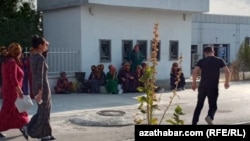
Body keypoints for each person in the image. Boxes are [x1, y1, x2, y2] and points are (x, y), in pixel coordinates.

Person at [191, 46, 231, 125]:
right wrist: (227, 82)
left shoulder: (202, 61)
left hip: (202, 86)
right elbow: (227, 71)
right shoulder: (219, 60)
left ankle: (194, 122)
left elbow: (195, 72)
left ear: (205, 53)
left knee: (199, 105)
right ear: (213, 52)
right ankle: (209, 116)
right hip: (213, 87)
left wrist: (194, 83)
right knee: (213, 105)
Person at [27, 34, 56, 140]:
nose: (46, 46)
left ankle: (46, 133)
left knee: (43, 110)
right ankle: (32, 130)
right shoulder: (40, 58)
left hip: (36, 86)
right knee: (44, 111)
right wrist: (40, 92)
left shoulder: (33, 56)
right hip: (42, 88)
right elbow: (40, 76)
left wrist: (45, 46)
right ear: (39, 46)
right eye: (44, 45)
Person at [0, 43, 29, 140]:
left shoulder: (6, 62)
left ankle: (23, 125)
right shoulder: (12, 62)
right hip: (12, 91)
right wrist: (19, 90)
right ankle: (24, 125)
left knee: (8, 111)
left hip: (8, 90)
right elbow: (13, 78)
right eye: (20, 52)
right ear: (17, 52)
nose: (21, 54)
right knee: (18, 110)